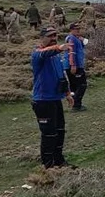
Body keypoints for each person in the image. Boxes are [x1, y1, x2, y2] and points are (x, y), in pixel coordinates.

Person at [30, 26, 74, 169]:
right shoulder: (37, 54)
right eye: (50, 36)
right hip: (43, 101)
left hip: (55, 99)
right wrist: (59, 47)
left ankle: (59, 162)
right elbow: (44, 53)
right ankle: (48, 166)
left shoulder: (56, 56)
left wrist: (67, 94)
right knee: (49, 134)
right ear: (41, 38)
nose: (53, 38)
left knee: (60, 131)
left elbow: (61, 75)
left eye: (55, 35)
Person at [63, 23, 88, 112]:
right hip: (74, 66)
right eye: (76, 29)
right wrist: (73, 65)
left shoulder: (75, 38)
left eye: (79, 28)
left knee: (74, 86)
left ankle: (75, 104)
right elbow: (71, 52)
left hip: (73, 65)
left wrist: (82, 40)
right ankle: (76, 104)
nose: (78, 30)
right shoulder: (72, 38)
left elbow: (82, 46)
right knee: (82, 85)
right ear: (71, 29)